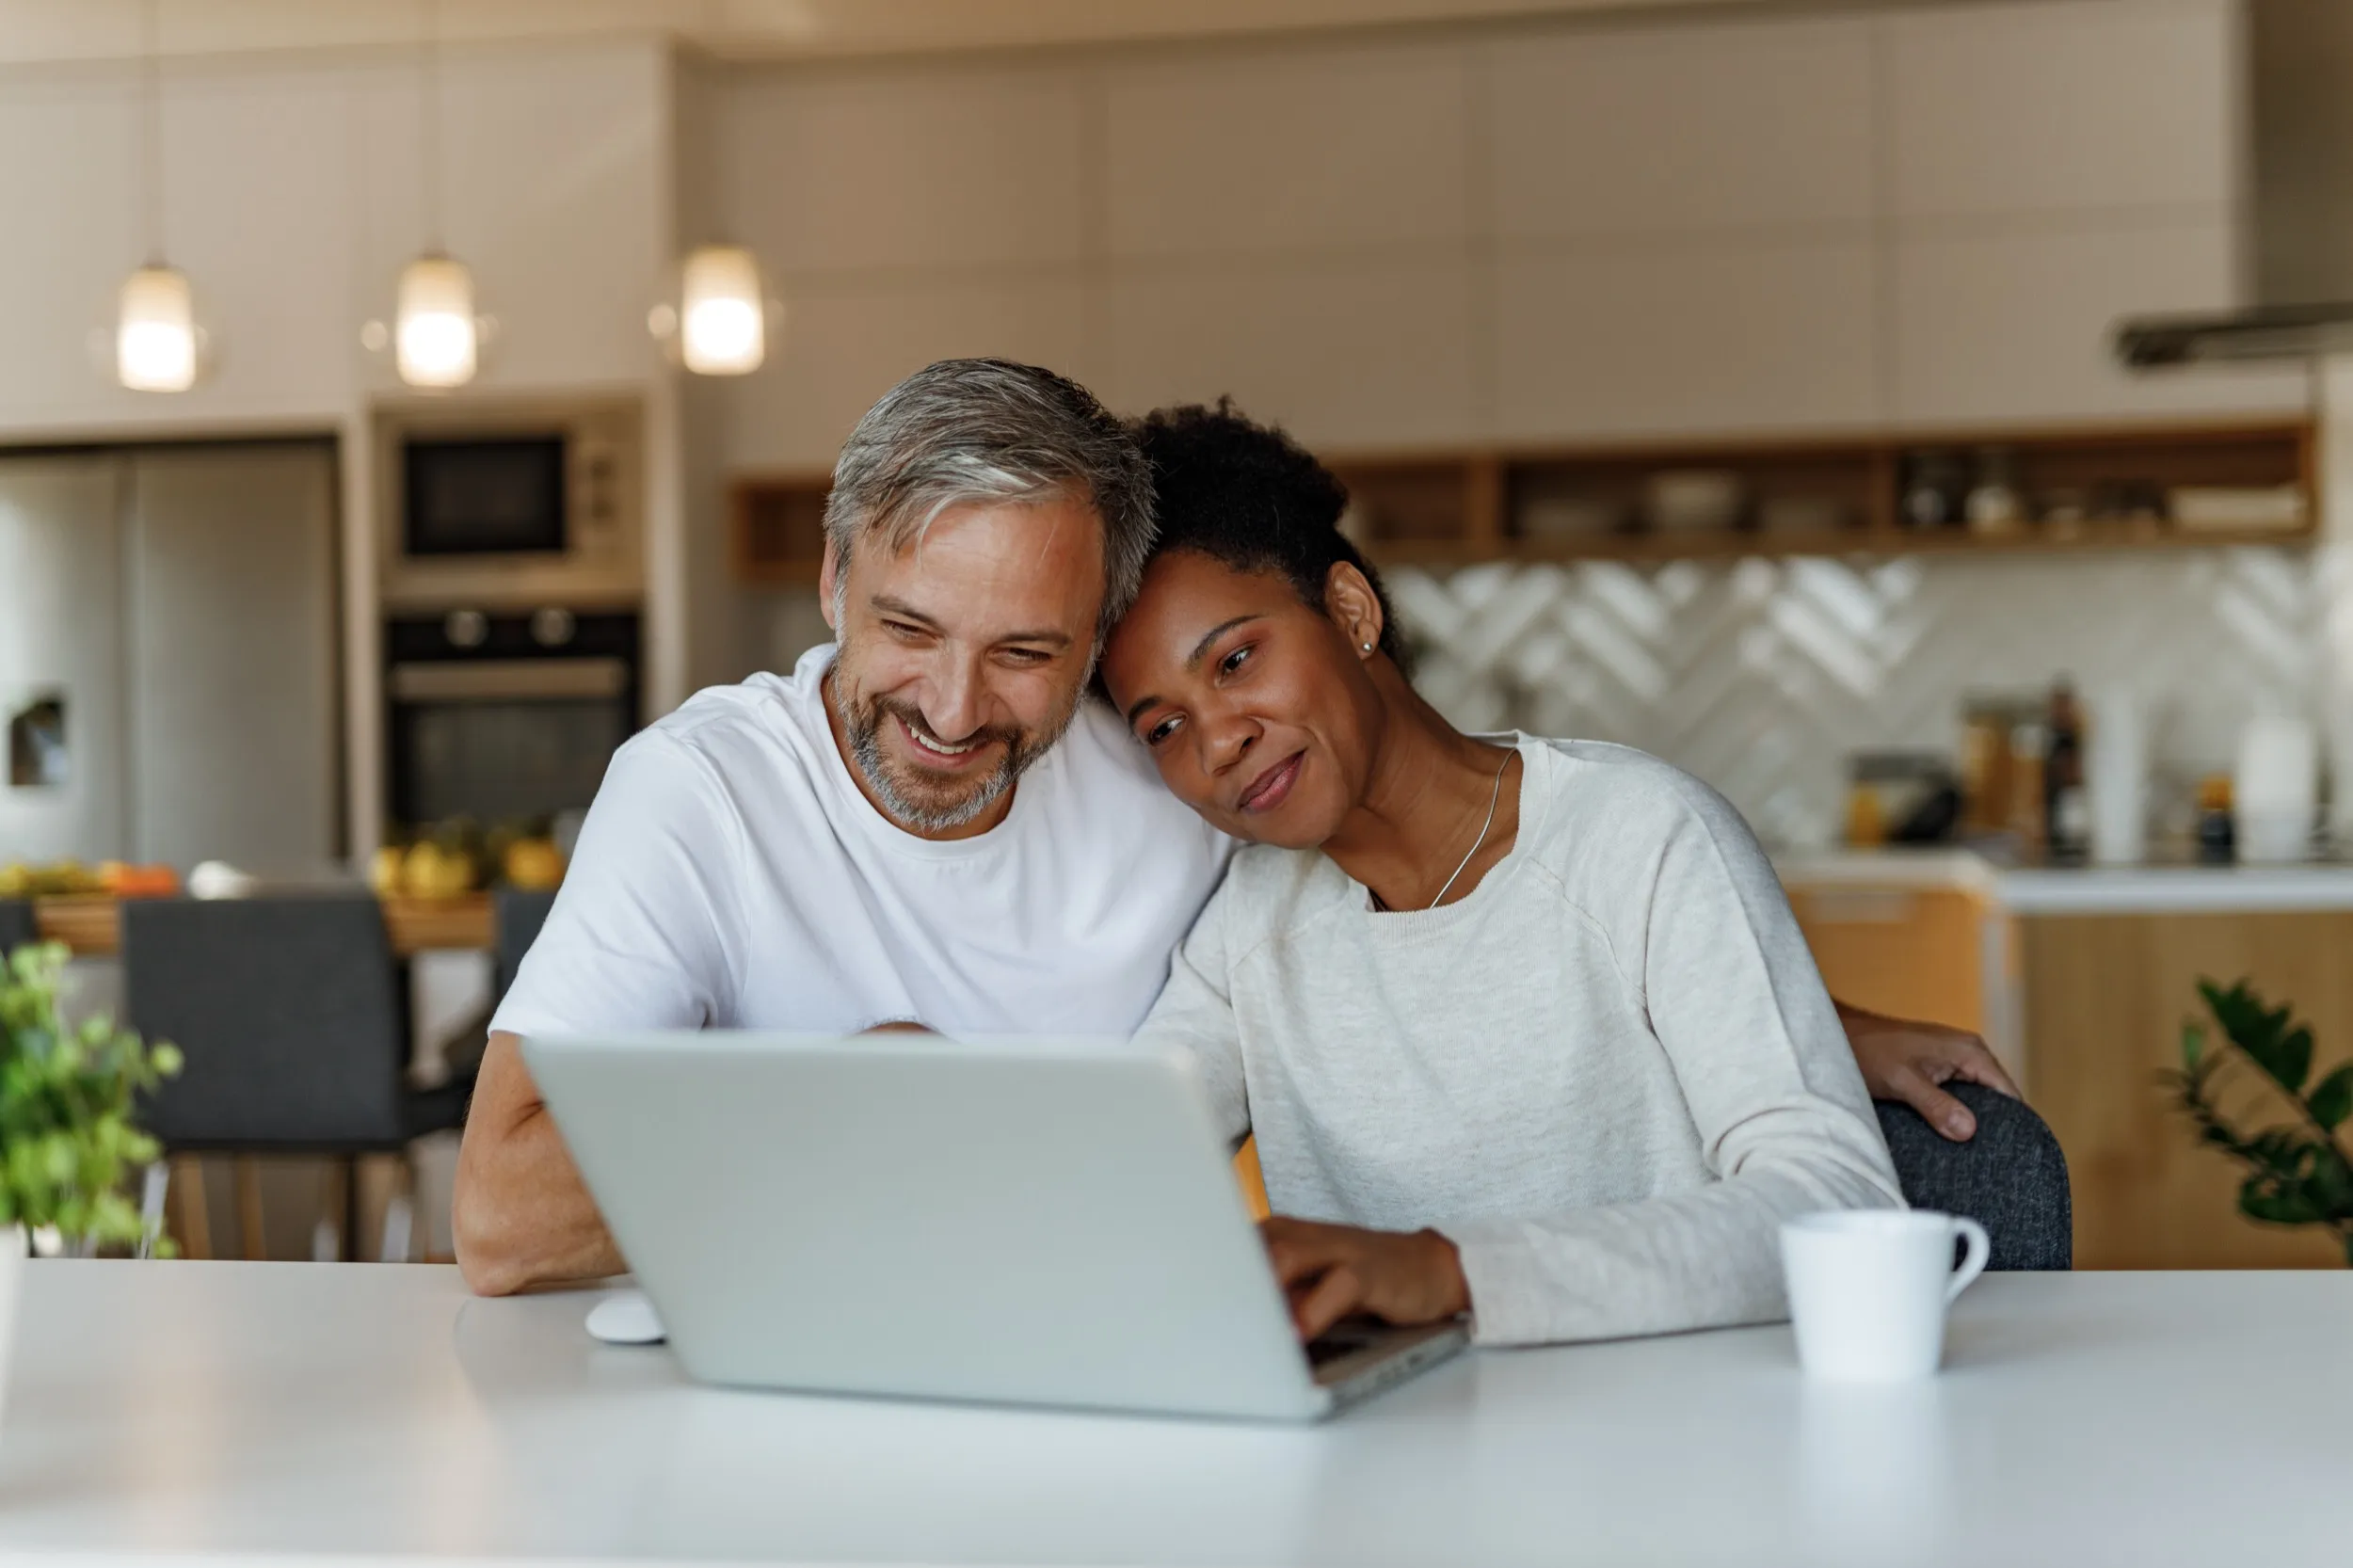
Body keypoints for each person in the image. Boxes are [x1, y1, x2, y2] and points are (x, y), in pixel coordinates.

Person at [453, 358, 2016, 1297]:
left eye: (1025, 655)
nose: (1214, 743)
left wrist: (1778, 1015)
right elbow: (1112, 1132)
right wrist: (873, 1109)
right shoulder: (1241, 896)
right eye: (1165, 721)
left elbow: (1795, 1169)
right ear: (832, 584)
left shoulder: (1615, 833)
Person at [1099, 404, 1901, 1346]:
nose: (1219, 739)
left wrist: (1447, 1272)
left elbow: (1832, 1199)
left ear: (1351, 611)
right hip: (1391, 1461)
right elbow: (1115, 1170)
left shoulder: (1639, 836)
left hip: (1673, 1447)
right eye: (1162, 727)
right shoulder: (1247, 928)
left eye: (1236, 659)